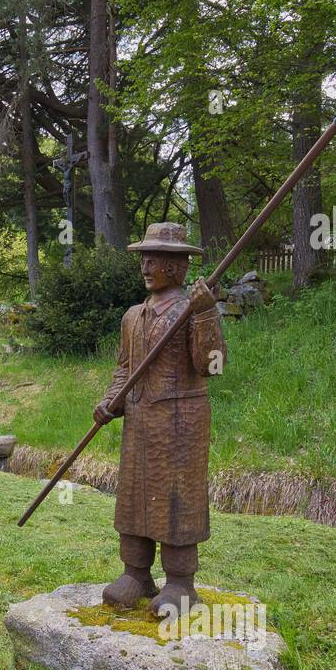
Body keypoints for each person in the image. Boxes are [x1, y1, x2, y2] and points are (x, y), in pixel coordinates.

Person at [93, 222, 226, 617]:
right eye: (143, 258)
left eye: (155, 259)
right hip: (139, 420)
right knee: (133, 496)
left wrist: (205, 315)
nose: (146, 265)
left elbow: (212, 366)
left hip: (179, 422)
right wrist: (110, 401)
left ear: (178, 267)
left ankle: (181, 583)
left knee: (176, 500)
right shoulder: (132, 316)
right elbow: (124, 369)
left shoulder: (192, 310)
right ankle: (136, 572)